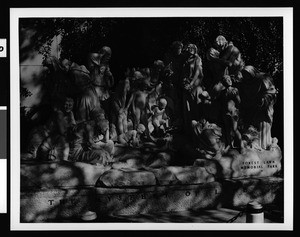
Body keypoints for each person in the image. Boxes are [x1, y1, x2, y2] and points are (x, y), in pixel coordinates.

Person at [240, 65, 278, 149]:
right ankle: (252, 145)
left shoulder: (262, 78)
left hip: (263, 110)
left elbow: (272, 91)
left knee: (262, 126)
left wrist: (264, 100)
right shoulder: (246, 83)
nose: (246, 77)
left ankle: (264, 146)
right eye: (244, 76)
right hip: (252, 109)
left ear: (252, 72)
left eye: (247, 75)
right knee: (251, 128)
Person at [62, 59, 101, 124]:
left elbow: (79, 87)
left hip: (85, 95)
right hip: (92, 93)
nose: (64, 69)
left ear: (68, 65)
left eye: (64, 67)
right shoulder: (81, 67)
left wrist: (70, 91)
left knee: (82, 117)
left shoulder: (73, 72)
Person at [87, 46, 114, 119]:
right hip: (95, 89)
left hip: (104, 90)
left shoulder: (106, 66)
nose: (109, 57)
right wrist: (100, 57)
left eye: (110, 55)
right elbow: (91, 56)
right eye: (107, 55)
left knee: (108, 109)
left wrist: (110, 76)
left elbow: (109, 82)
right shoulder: (93, 63)